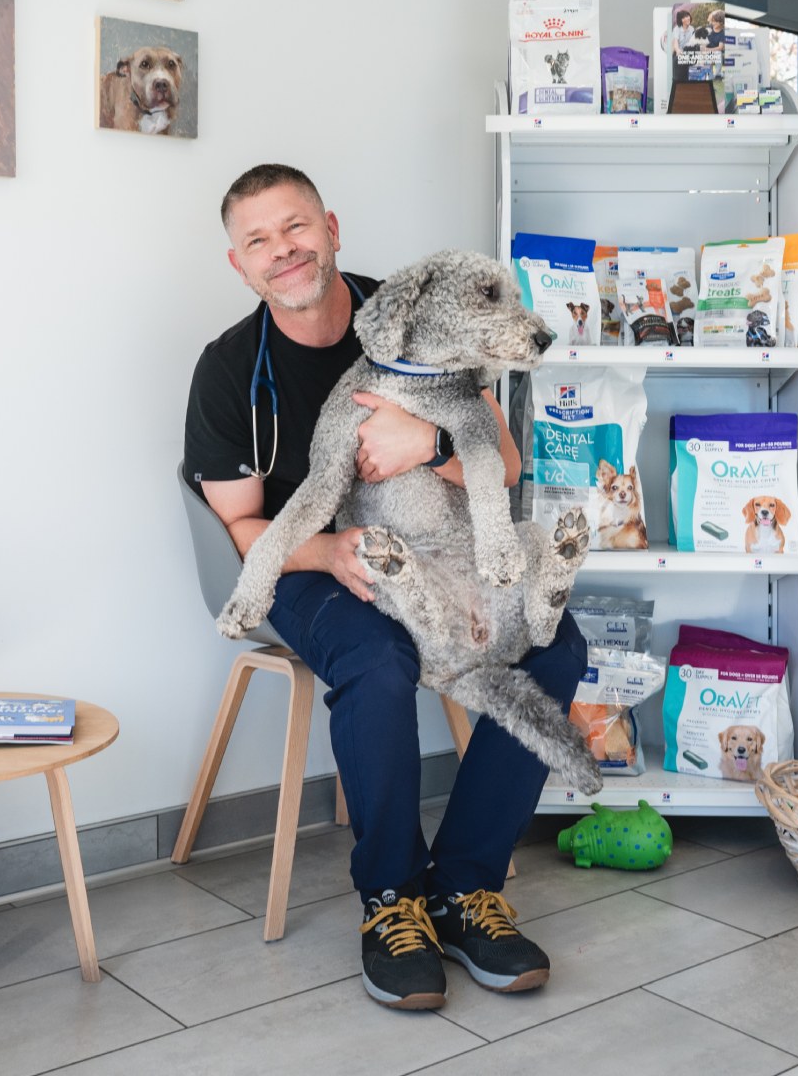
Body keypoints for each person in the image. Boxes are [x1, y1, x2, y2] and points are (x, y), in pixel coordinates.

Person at [183, 163, 588, 1011]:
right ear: (239, 264)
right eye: (258, 240)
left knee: (558, 642)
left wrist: (425, 446)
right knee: (377, 658)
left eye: (295, 227)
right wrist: (329, 553)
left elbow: (501, 465)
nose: (282, 251)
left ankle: (467, 886)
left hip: (438, 545)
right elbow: (242, 530)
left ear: (331, 228)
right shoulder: (228, 370)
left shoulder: (421, 307)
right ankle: (392, 900)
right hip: (312, 567)